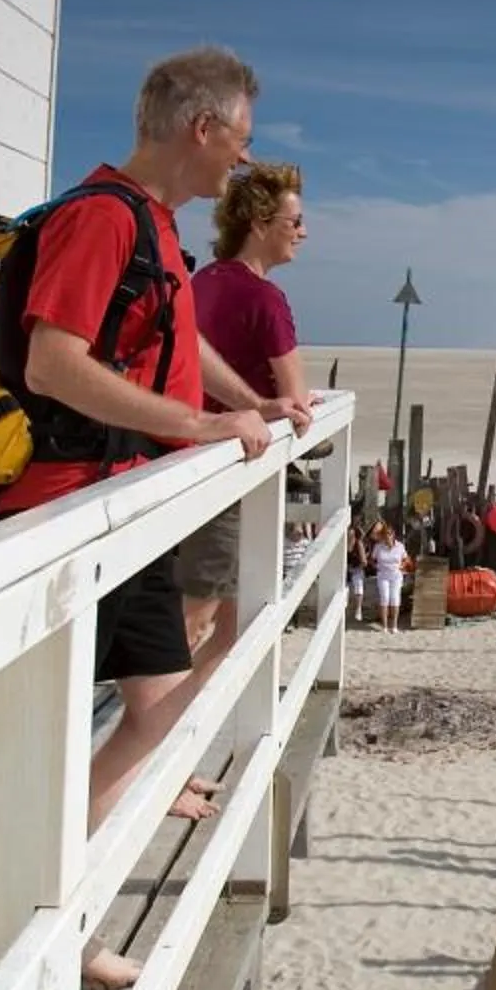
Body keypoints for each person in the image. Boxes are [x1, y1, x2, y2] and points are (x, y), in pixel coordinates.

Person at [0, 45, 313, 990]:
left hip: (122, 510)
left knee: (164, 712)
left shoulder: (157, 228)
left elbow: (184, 353)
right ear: (200, 128)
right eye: (241, 144)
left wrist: (250, 409)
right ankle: (50, 919)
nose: (242, 168)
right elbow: (54, 363)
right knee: (99, 731)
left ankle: (65, 900)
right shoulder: (101, 219)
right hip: (67, 514)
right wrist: (195, 426)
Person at [179, 162, 311, 667]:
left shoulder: (200, 282)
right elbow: (295, 399)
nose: (303, 232)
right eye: (293, 221)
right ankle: (166, 729)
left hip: (185, 454)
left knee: (215, 614)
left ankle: (172, 719)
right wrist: (279, 401)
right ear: (259, 224)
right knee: (204, 615)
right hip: (232, 463)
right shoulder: (264, 298)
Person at [368, 519, 409, 634]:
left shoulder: (399, 546)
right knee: (384, 598)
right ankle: (385, 626)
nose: (388, 537)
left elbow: (406, 559)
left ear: (393, 535)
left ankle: (394, 626)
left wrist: (402, 565)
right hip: (383, 575)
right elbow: (371, 559)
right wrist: (376, 566)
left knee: (395, 599)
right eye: (386, 534)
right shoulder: (379, 547)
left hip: (396, 575)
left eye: (390, 534)